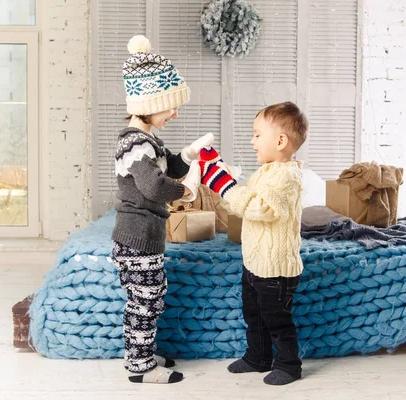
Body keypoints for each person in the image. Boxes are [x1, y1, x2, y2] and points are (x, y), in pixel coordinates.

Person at [111, 35, 213, 384]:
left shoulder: (147, 140)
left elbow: (168, 165)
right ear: (149, 102)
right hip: (137, 238)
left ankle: (141, 353)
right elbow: (154, 185)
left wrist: (188, 156)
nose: (175, 113)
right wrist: (186, 190)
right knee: (145, 301)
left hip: (144, 237)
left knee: (150, 298)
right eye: (170, 105)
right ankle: (140, 367)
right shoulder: (133, 143)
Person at [199, 101, 309, 385]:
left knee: (277, 319)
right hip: (255, 263)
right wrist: (221, 175)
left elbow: (261, 208)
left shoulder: (287, 176)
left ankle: (288, 364)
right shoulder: (266, 171)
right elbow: (242, 203)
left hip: (276, 268)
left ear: (281, 141)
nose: (252, 141)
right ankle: (258, 356)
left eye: (258, 135)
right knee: (254, 314)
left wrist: (224, 184)